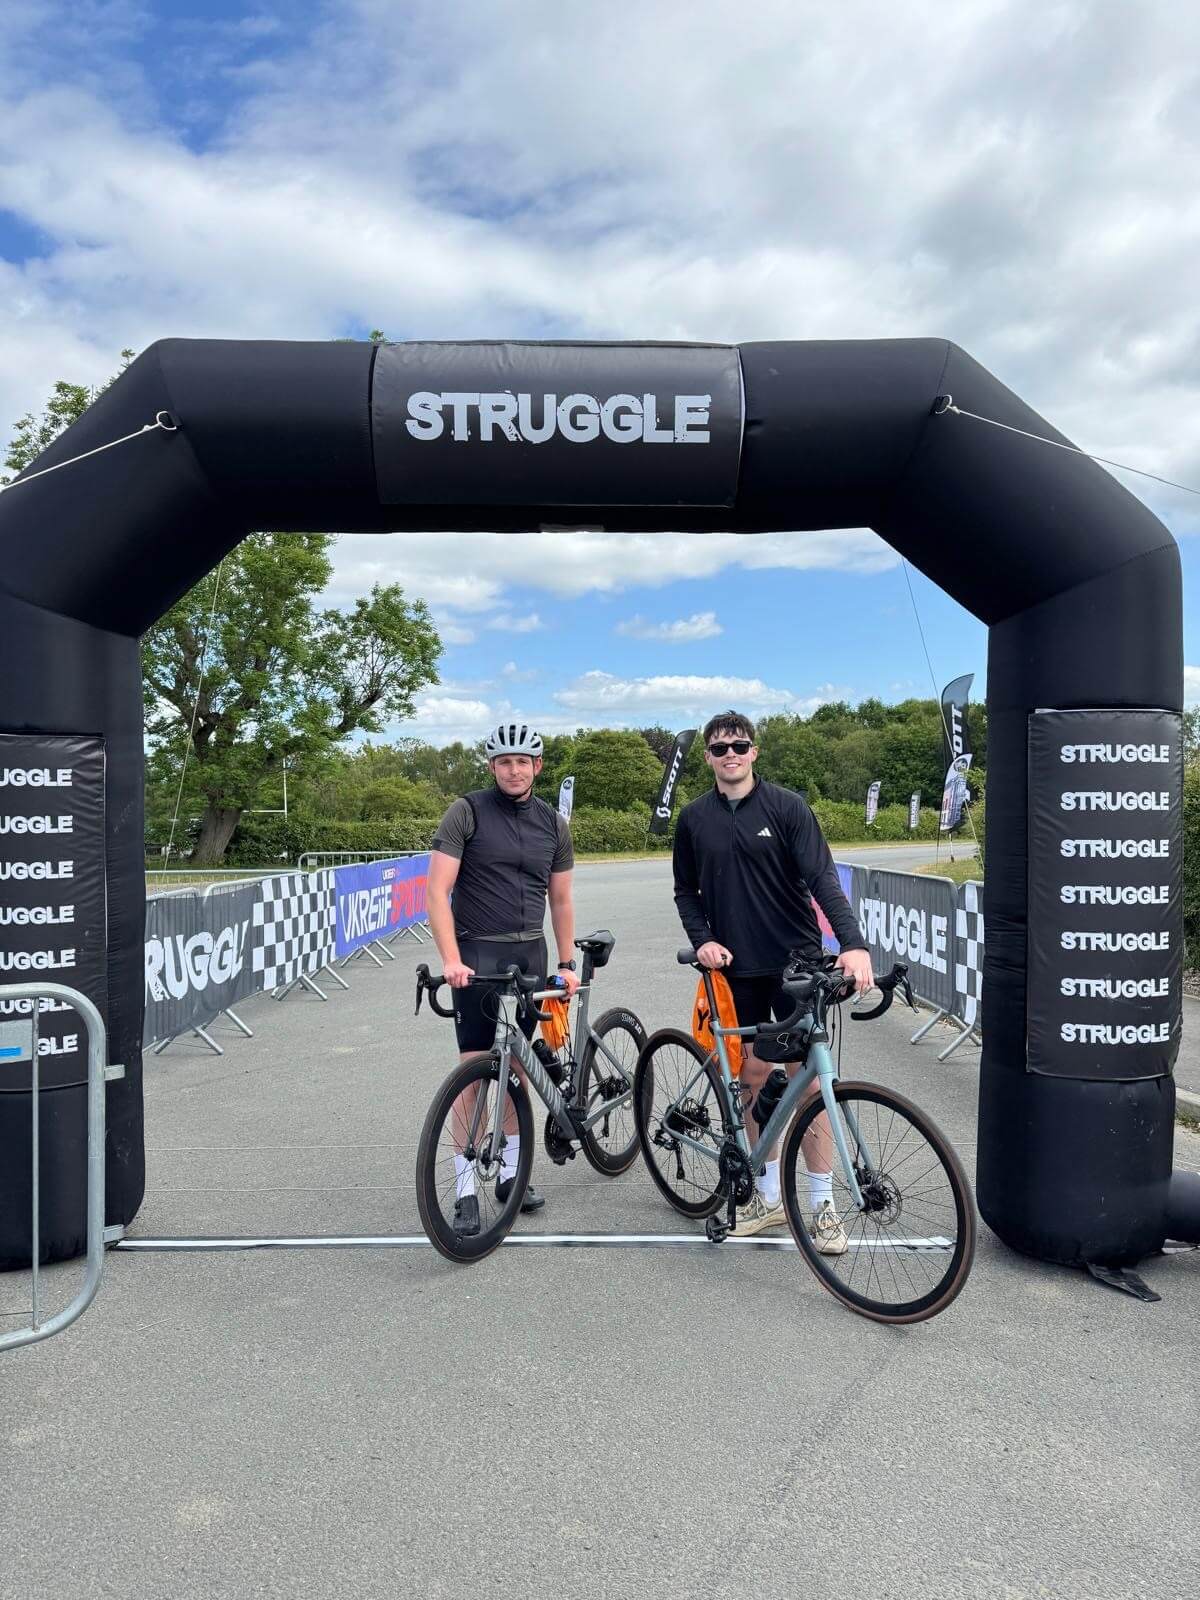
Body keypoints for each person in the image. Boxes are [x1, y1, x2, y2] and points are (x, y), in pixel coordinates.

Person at [672, 710, 874, 1242]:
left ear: (754, 752)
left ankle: (823, 1205)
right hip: (734, 969)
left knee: (811, 1085)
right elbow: (684, 892)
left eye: (739, 745)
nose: (730, 754)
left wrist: (852, 945)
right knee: (751, 1079)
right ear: (710, 758)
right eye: (719, 748)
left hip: (797, 967)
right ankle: (764, 1197)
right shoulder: (694, 819)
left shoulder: (787, 808)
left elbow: (823, 879)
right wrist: (703, 941)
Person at [426, 720, 580, 1235]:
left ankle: (511, 1174)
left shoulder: (554, 826)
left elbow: (560, 899)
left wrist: (565, 963)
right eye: (504, 762)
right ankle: (466, 1184)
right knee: (474, 1071)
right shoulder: (466, 812)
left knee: (514, 1069)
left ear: (537, 767)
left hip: (529, 957)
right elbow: (436, 893)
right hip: (476, 957)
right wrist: (451, 958)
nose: (514, 770)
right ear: (492, 767)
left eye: (523, 762)